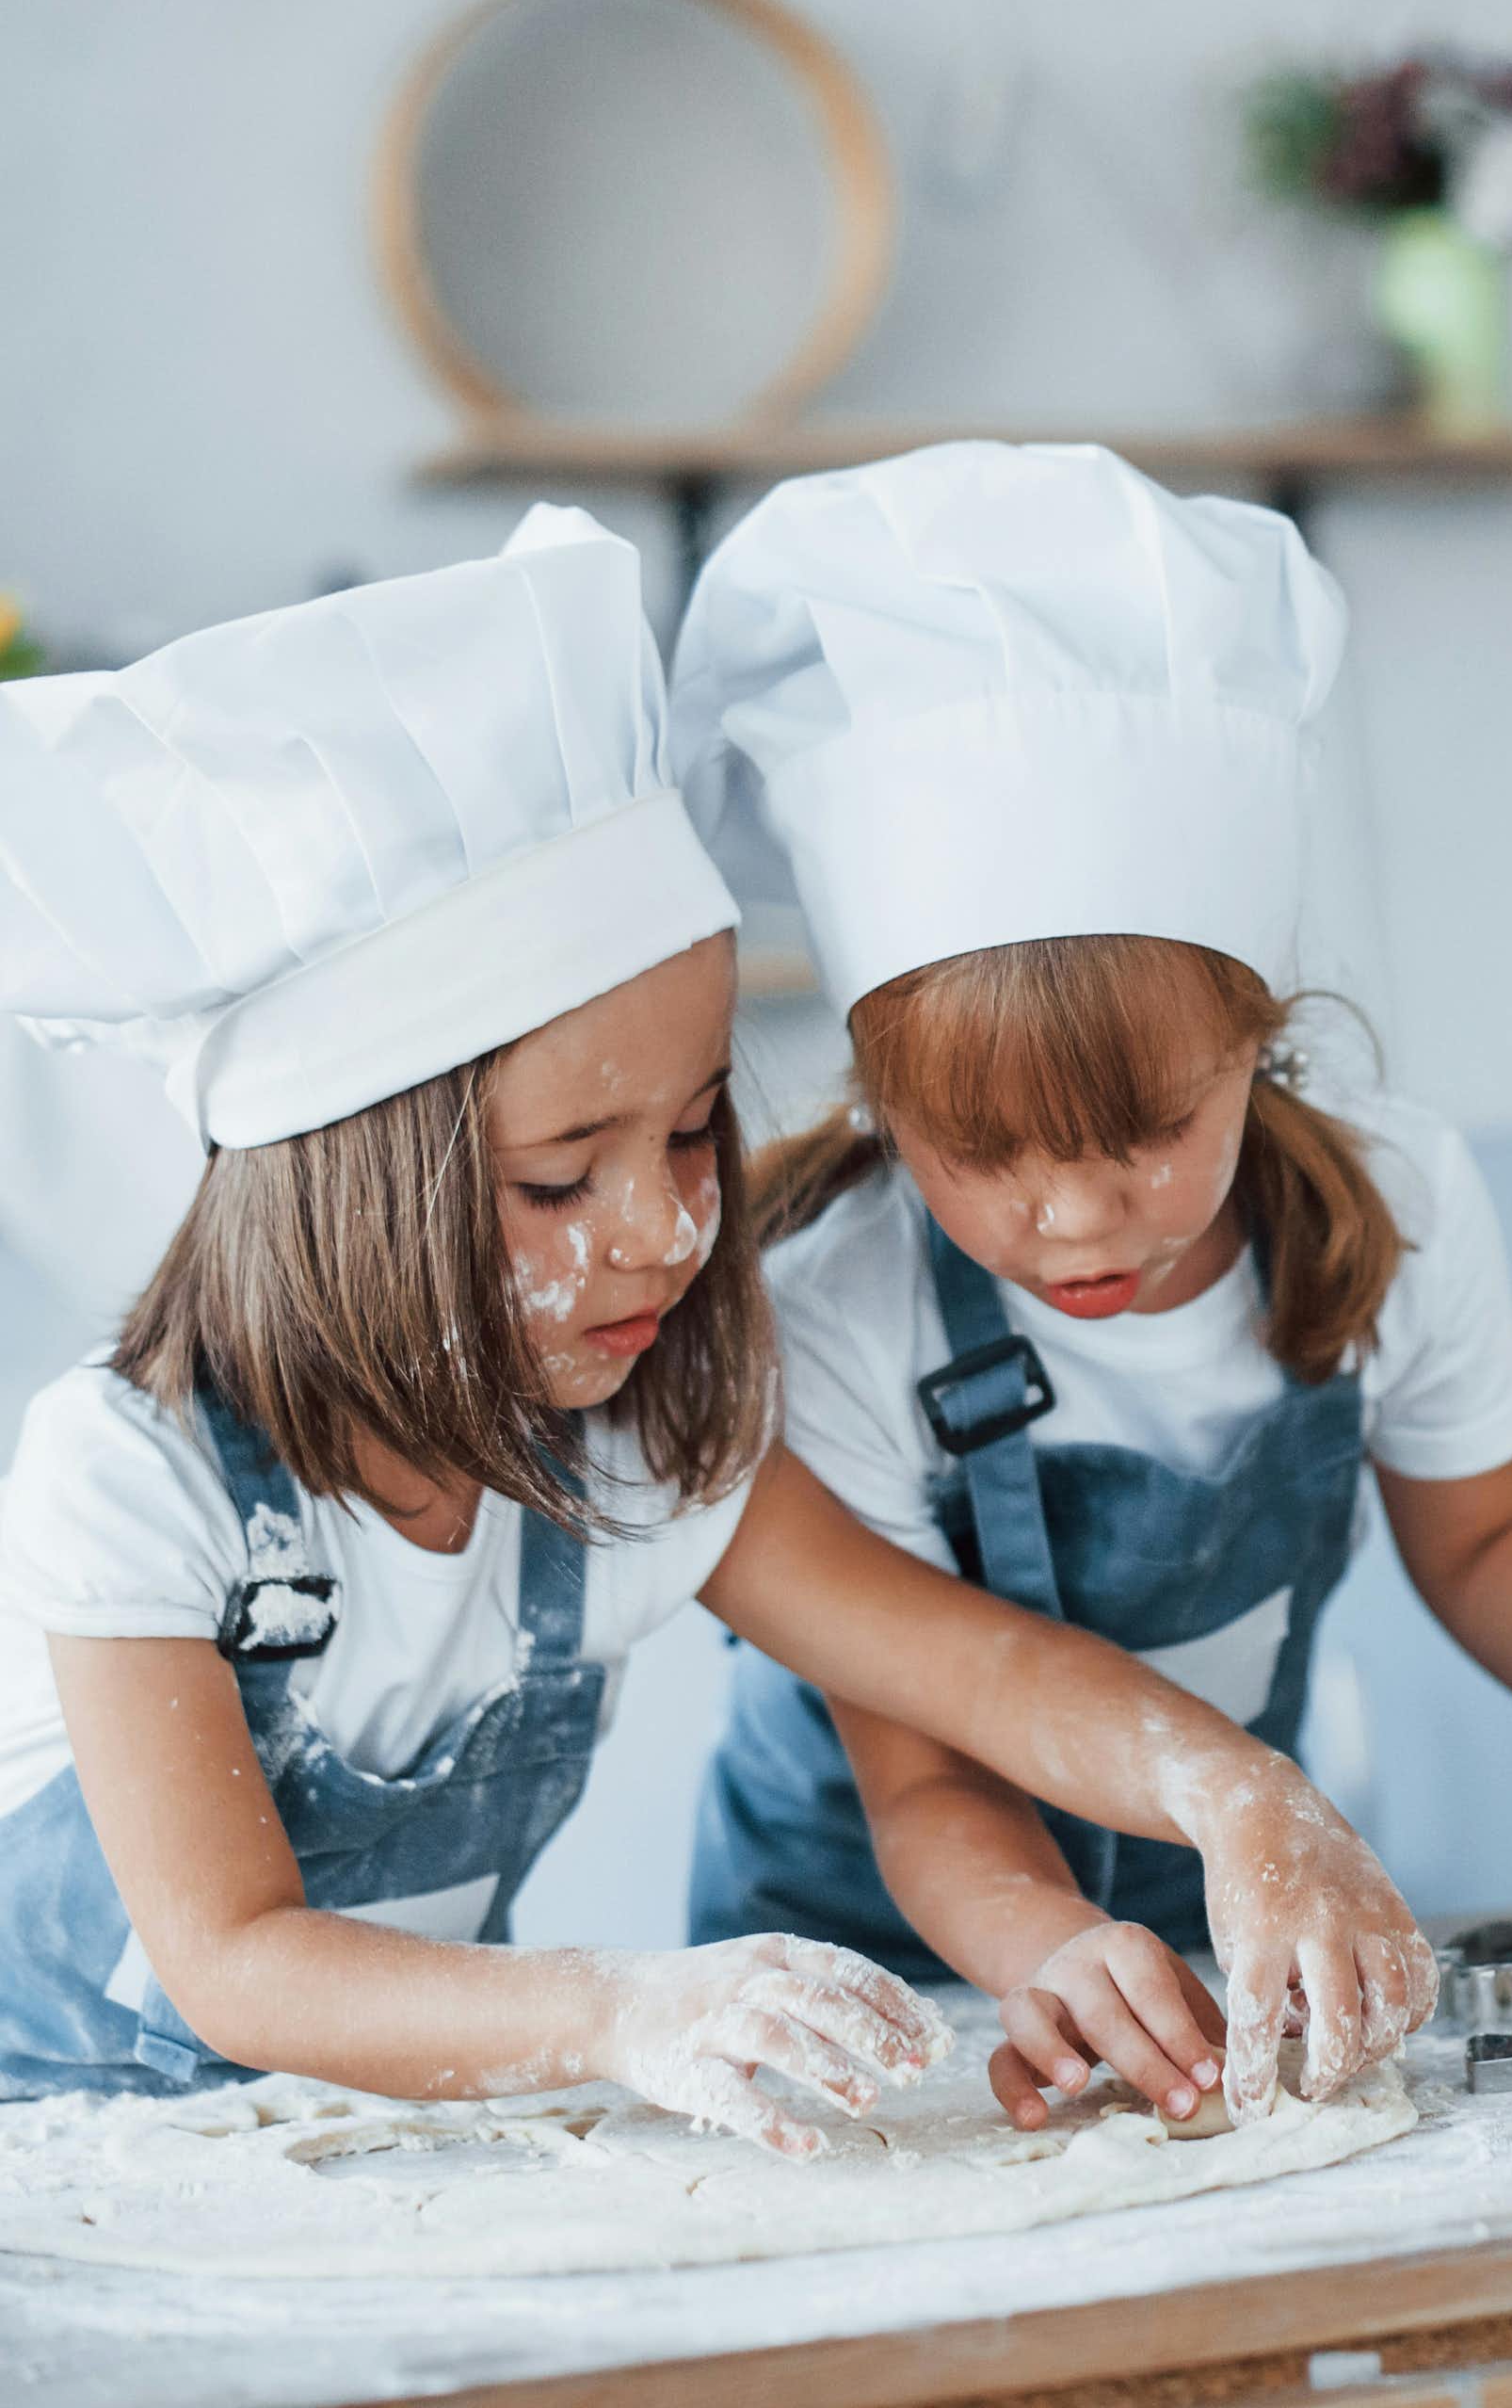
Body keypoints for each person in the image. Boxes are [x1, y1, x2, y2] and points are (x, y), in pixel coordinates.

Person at [0, 506, 1431, 2141]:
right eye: (560, 1180)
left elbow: (986, 1671)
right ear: (347, 1189)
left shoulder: (628, 1462)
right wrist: (624, 2007)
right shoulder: (129, 1477)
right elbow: (235, 1961)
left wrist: (1236, 1796)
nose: (669, 1226)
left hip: (378, 2166)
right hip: (63, 2187)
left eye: (692, 1134)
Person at [669, 442, 1512, 2131]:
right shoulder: (846, 1312)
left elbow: (1491, 1535)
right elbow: (924, 1770)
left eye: (1146, 1128)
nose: (1074, 1216)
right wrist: (1050, 1946)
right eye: (981, 1152)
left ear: (1256, 1038)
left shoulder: (1391, 1208)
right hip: (871, 1988)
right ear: (878, 1104)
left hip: (1189, 1931)